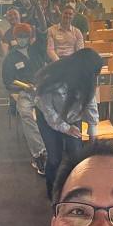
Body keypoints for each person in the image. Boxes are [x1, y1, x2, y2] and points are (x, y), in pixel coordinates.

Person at [35, 48, 102, 198]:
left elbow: (91, 109)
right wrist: (66, 129)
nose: (94, 78)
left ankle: (75, 190)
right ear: (82, 70)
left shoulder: (88, 80)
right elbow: (49, 113)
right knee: (55, 158)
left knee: (77, 155)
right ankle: (52, 192)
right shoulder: (51, 78)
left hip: (72, 118)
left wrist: (93, 137)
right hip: (49, 120)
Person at [2, 17, 47, 175]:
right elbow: (8, 82)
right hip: (24, 93)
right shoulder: (10, 58)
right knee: (26, 115)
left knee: (52, 111)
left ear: (30, 37)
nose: (22, 39)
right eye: (20, 36)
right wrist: (25, 87)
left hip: (43, 90)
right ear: (15, 38)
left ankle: (54, 147)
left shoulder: (37, 50)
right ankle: (40, 154)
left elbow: (43, 30)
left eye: (25, 36)